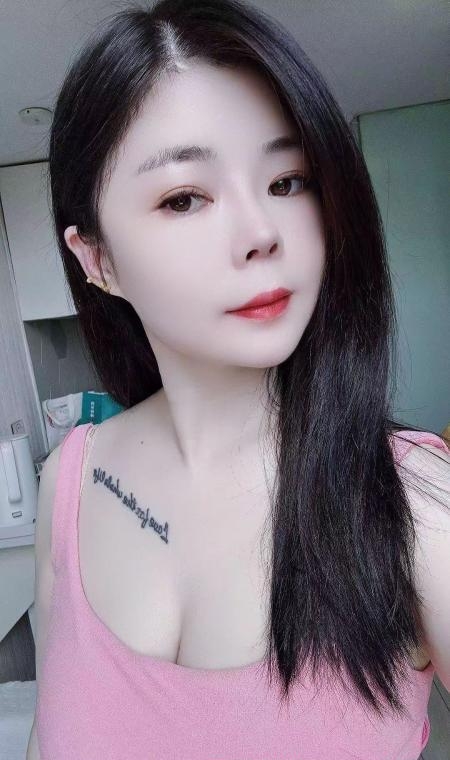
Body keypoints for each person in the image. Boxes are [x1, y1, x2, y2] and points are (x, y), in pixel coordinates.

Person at [27, 1, 449, 758]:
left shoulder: (414, 501)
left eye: (288, 182)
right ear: (98, 259)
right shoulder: (70, 483)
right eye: (184, 197)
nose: (261, 233)